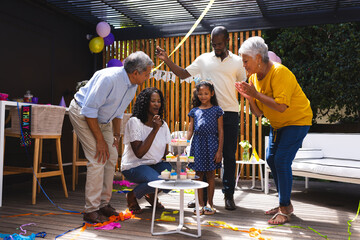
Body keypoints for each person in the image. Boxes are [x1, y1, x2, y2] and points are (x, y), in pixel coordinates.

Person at [156, 26, 246, 210]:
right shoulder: (203, 59)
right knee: (203, 157)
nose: (217, 47)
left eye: (220, 44)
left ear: (228, 40)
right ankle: (201, 198)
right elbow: (182, 74)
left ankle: (228, 195)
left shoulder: (237, 62)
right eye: (214, 44)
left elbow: (244, 86)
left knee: (228, 155)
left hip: (229, 112)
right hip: (206, 113)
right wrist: (167, 60)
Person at [68, 51, 153, 223]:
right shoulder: (109, 79)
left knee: (111, 155)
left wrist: (115, 135)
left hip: (103, 120)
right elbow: (89, 110)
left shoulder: (133, 85)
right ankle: (90, 210)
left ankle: (103, 204)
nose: (148, 77)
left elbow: (118, 111)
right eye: (147, 73)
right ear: (136, 72)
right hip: (83, 114)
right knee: (97, 157)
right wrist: (100, 141)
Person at [235, 36, 313, 225]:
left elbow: (281, 106)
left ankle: (285, 209)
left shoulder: (280, 73)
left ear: (259, 58)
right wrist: (250, 98)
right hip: (278, 125)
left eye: (246, 61)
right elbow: (259, 113)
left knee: (281, 160)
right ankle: (283, 204)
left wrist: (255, 94)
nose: (243, 65)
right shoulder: (254, 77)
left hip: (297, 121)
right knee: (271, 159)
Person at [121, 87, 172, 214]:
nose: (157, 104)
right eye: (153, 101)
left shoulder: (163, 124)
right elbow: (139, 153)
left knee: (174, 177)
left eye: (159, 101)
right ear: (145, 103)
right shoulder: (135, 122)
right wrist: (154, 130)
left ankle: (150, 193)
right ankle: (132, 195)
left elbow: (165, 152)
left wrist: (178, 159)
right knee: (157, 181)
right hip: (135, 165)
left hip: (154, 165)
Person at [187, 80, 224, 215]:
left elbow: (221, 131)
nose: (203, 96)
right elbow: (190, 130)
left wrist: (219, 151)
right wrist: (184, 144)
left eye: (206, 93)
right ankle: (200, 204)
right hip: (197, 145)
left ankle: (210, 203)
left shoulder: (217, 110)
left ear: (212, 94)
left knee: (210, 175)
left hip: (212, 144)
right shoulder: (194, 111)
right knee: (197, 176)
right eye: (200, 94)